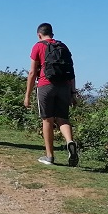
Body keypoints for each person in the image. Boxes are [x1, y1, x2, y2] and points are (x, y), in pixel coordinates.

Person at [24, 23, 79, 167]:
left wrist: (27, 95)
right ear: (52, 34)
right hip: (64, 87)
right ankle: (70, 142)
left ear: (39, 35)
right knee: (63, 120)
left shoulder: (38, 46)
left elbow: (32, 72)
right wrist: (73, 92)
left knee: (47, 120)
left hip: (45, 85)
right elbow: (71, 73)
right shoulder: (63, 47)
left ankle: (50, 156)